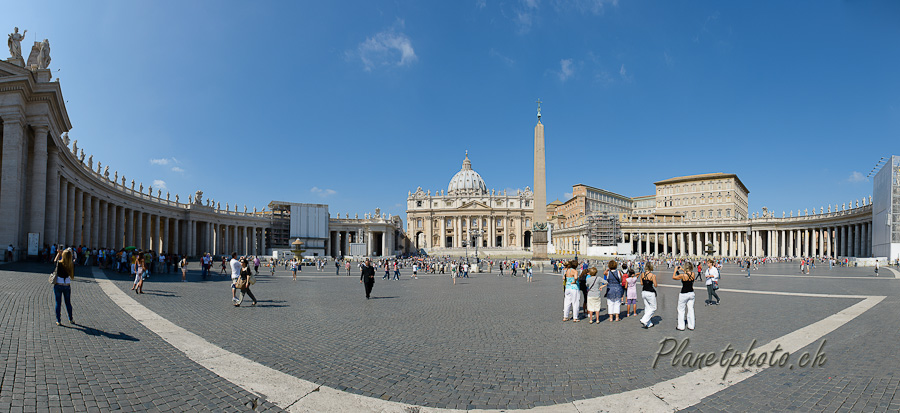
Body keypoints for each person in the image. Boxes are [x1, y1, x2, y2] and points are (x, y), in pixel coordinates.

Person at [51, 248, 75, 326]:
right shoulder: (71, 264)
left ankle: (58, 320)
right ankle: (70, 319)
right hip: (67, 285)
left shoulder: (59, 263)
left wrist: (59, 253)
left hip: (58, 284)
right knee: (68, 303)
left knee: (58, 303)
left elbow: (54, 261)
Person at [674, 262, 696, 331]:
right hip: (691, 293)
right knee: (691, 309)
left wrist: (675, 270)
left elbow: (674, 277)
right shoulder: (693, 274)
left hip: (684, 294)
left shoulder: (683, 276)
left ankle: (681, 326)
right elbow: (688, 274)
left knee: (681, 310)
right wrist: (683, 269)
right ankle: (691, 326)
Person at [639, 263, 658, 329]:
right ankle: (644, 319)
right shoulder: (652, 275)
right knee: (653, 307)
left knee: (647, 308)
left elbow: (641, 283)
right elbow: (655, 285)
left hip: (644, 292)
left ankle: (648, 324)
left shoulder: (642, 274)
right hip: (650, 292)